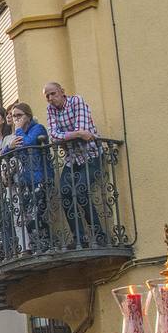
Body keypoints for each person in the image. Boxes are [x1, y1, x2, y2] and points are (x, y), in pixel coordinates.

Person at [43, 81, 103, 248]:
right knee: (65, 192)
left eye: (53, 94)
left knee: (81, 191)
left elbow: (82, 128)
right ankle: (79, 238)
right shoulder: (50, 110)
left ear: (62, 91)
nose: (50, 98)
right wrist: (76, 134)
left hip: (91, 155)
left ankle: (99, 235)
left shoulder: (77, 101)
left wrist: (71, 135)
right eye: (47, 96)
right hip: (72, 160)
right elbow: (54, 136)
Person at [8, 101, 51, 248]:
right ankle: (36, 246)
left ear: (28, 116)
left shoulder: (38, 128)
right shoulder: (18, 134)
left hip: (40, 178)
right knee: (27, 217)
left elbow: (28, 143)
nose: (16, 119)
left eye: (19, 115)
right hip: (26, 182)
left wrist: (18, 130)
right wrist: (9, 146)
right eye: (14, 116)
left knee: (37, 215)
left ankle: (44, 246)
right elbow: (3, 154)